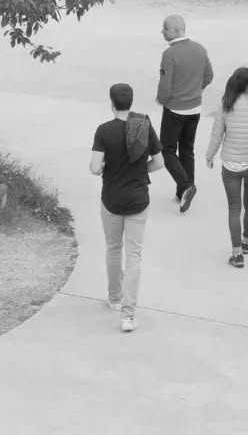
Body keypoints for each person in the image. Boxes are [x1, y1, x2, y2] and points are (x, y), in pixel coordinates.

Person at [90, 83, 164, 333]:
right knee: (134, 256)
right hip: (138, 200)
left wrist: (106, 168)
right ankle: (128, 315)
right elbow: (159, 162)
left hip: (111, 198)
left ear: (111, 104)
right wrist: (141, 171)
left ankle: (114, 297)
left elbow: (94, 167)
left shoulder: (104, 131)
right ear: (131, 103)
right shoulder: (143, 126)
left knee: (113, 249)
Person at [204, 67, 248, 268]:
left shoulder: (225, 106)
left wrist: (209, 156)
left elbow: (216, 136)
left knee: (234, 208)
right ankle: (247, 240)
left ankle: (236, 255)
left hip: (230, 166)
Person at [156, 14, 214, 213]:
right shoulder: (200, 49)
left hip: (175, 110)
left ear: (175, 30)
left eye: (165, 28)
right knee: (187, 149)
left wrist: (162, 100)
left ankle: (185, 185)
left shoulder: (169, 55)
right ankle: (184, 192)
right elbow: (209, 76)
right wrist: (197, 90)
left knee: (166, 150)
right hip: (195, 108)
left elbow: (165, 85)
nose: (162, 31)